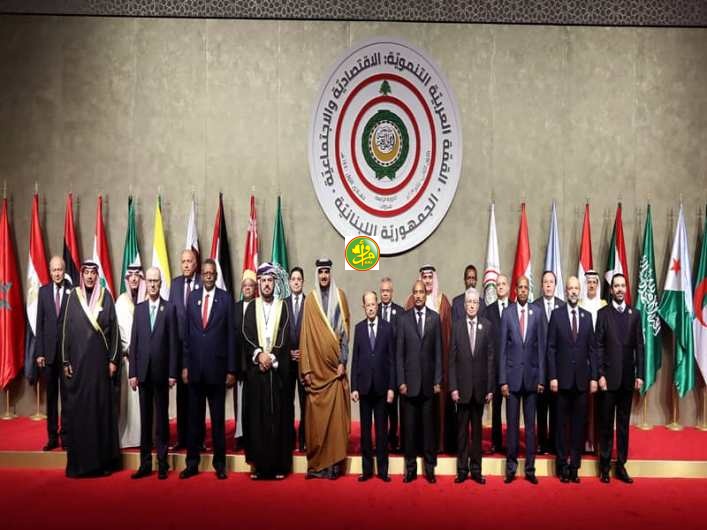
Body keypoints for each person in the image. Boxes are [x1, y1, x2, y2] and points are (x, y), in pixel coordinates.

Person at [61, 260, 120, 477]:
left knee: (100, 413)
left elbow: (114, 331)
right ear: (81, 275)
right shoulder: (72, 297)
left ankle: (102, 464)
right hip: (79, 368)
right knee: (81, 414)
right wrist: (65, 360)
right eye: (86, 272)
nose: (89, 276)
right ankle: (81, 465)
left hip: (100, 369)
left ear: (97, 276)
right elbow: (65, 330)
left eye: (93, 273)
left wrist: (113, 360)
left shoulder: (106, 296)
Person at [180, 259, 237, 480]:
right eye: (205, 273)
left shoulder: (226, 299)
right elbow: (186, 336)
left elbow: (231, 337)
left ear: (216, 275)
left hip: (217, 371)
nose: (208, 276)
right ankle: (192, 463)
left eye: (211, 273)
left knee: (218, 421)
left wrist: (231, 369)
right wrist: (185, 365)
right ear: (201, 275)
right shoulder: (192, 297)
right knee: (194, 421)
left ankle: (220, 464)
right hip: (195, 370)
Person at [299, 258, 351, 480]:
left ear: (331, 274)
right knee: (316, 422)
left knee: (336, 422)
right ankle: (317, 466)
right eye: (320, 272)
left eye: (326, 272)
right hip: (317, 373)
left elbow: (345, 334)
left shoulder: (340, 297)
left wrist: (342, 362)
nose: (323, 276)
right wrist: (306, 369)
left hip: (334, 371)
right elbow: (305, 336)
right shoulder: (310, 300)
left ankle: (333, 466)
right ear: (317, 274)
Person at [241, 263, 293, 479]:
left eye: (270, 281)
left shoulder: (283, 307)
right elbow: (247, 334)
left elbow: (285, 334)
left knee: (277, 419)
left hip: (276, 373)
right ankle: (259, 466)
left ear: (275, 283)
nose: (266, 285)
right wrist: (259, 354)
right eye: (263, 281)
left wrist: (271, 357)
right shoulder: (251, 307)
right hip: (256, 373)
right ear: (258, 283)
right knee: (257, 419)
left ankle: (278, 467)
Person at [128, 267, 179, 480]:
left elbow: (174, 344)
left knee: (161, 421)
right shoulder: (139, 309)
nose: (152, 285)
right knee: (145, 421)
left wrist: (172, 373)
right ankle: (145, 464)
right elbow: (134, 343)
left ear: (160, 283)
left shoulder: (169, 309)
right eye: (149, 281)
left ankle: (163, 463)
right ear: (145, 283)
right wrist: (132, 372)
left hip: (162, 373)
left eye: (155, 281)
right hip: (143, 374)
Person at [546, 276, 597, 483]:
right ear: (566, 291)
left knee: (577, 426)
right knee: (560, 426)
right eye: (570, 288)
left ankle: (574, 467)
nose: (574, 291)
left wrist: (594, 377)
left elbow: (592, 350)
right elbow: (551, 349)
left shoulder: (587, 317)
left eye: (576, 288)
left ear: (579, 291)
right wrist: (553, 376)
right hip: (561, 381)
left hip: (581, 382)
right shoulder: (556, 315)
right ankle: (562, 466)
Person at [595, 273, 644, 484]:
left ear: (626, 288)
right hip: (608, 380)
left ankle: (621, 465)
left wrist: (640, 374)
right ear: (611, 289)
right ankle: (605, 466)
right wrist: (600, 375)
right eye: (616, 286)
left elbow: (640, 346)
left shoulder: (635, 314)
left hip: (627, 380)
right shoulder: (603, 314)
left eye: (623, 285)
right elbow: (598, 346)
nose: (620, 289)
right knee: (606, 424)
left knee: (623, 425)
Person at [499, 275, 544, 484]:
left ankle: (530, 468)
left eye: (526, 287)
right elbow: (502, 350)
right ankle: (511, 468)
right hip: (512, 380)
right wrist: (503, 381)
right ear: (515, 290)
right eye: (521, 287)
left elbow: (541, 348)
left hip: (532, 379)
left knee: (531, 428)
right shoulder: (507, 313)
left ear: (529, 290)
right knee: (512, 427)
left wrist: (541, 378)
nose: (523, 290)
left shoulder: (537, 313)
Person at [397, 280, 442, 483]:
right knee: (409, 430)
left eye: (421, 292)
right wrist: (401, 381)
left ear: (426, 294)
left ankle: (430, 468)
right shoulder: (403, 319)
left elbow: (439, 353)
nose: (418, 295)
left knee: (428, 430)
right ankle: (410, 469)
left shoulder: (435, 318)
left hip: (429, 385)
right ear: (412, 294)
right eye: (415, 292)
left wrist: (437, 379)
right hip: (409, 385)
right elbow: (399, 354)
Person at [405, 265, 453, 453]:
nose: (427, 281)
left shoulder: (443, 302)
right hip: (415, 372)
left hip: (436, 369)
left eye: (430, 277)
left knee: (436, 409)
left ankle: (436, 446)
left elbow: (446, 339)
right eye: (424, 277)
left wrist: (441, 373)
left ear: (434, 279)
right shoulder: (411, 301)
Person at [449, 287, 494, 485]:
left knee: (477, 434)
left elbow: (490, 359)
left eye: (475, 302)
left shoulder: (487, 326)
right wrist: (453, 387)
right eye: (469, 302)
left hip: (480, 390)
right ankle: (462, 470)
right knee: (461, 433)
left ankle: (476, 470)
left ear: (479, 305)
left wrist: (490, 388)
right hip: (462, 390)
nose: (472, 305)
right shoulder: (457, 326)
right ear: (464, 305)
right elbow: (452, 360)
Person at [351, 291, 395, 482]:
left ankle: (383, 471)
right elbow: (355, 359)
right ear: (364, 307)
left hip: (382, 388)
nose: (370, 308)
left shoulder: (387, 328)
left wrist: (391, 387)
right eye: (367, 305)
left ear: (377, 305)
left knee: (382, 432)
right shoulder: (359, 328)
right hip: (364, 388)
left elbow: (391, 360)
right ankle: (367, 470)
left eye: (373, 304)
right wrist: (354, 387)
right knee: (365, 432)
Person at [35, 256, 71, 451]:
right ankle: (52, 437)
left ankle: (65, 436)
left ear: (64, 271)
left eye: (60, 269)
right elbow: (39, 324)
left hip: (66, 355)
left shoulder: (72, 291)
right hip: (48, 355)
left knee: (66, 397)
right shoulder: (43, 292)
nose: (57, 273)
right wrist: (40, 352)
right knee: (51, 398)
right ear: (50, 272)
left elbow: (74, 325)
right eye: (54, 270)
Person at [168, 249, 201, 451]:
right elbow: (171, 315)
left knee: (197, 397)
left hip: (199, 351)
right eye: (183, 261)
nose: (186, 264)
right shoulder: (175, 284)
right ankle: (182, 438)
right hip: (179, 351)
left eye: (189, 261)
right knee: (181, 397)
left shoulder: (203, 283)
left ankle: (197, 440)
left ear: (196, 264)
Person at [532, 270, 565, 455]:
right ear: (542, 285)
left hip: (558, 368)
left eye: (551, 282)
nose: (548, 285)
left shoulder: (562, 306)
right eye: (545, 282)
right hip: (539, 367)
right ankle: (541, 442)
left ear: (555, 285)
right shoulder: (534, 307)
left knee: (556, 408)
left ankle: (554, 443)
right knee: (541, 407)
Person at [115, 265, 145, 448]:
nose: (134, 279)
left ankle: (146, 436)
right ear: (127, 279)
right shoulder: (121, 301)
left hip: (146, 360)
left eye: (137, 275)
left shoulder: (148, 299)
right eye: (131, 276)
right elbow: (119, 332)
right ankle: (130, 437)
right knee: (129, 403)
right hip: (127, 360)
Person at [579, 269, 606, 453]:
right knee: (583, 405)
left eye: (594, 282)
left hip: (600, 360)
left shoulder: (604, 305)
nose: (591, 285)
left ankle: (596, 442)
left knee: (599, 406)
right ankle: (582, 442)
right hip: (582, 362)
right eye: (588, 282)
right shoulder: (579, 305)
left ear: (598, 285)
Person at [483, 273, 510, 454]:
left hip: (512, 368)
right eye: (497, 284)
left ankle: (511, 443)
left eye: (503, 284)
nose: (500, 287)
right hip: (495, 368)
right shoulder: (488, 311)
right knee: (496, 409)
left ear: (508, 287)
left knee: (512, 409)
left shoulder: (515, 308)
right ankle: (496, 442)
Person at [377, 276, 403, 452]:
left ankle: (394, 438)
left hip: (394, 365)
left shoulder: (399, 312)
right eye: (383, 291)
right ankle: (381, 440)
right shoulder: (375, 309)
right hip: (379, 367)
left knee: (393, 407)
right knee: (380, 407)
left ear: (392, 292)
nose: (385, 294)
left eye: (388, 291)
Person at [234, 270, 257, 451]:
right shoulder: (235, 308)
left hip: (255, 362)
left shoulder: (259, 306)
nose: (248, 289)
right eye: (245, 286)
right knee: (240, 401)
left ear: (255, 288)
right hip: (239, 362)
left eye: (251, 286)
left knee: (253, 401)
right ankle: (240, 435)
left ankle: (253, 435)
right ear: (242, 288)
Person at [286, 266, 307, 452]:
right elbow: (278, 334)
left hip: (304, 362)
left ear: (303, 282)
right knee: (288, 403)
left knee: (305, 403)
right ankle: (290, 439)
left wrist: (303, 352)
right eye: (293, 279)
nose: (296, 282)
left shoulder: (310, 303)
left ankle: (304, 439)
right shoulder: (282, 304)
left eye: (299, 279)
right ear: (289, 282)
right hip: (287, 362)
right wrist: (288, 352)